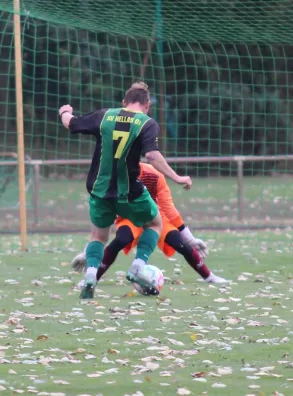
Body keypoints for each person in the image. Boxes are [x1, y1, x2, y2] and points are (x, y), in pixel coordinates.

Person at [59, 81, 192, 299]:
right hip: (129, 191)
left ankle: (91, 276)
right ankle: (138, 266)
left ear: (124, 103)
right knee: (155, 223)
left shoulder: (105, 115)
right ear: (147, 105)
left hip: (99, 190)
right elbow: (152, 156)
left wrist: (64, 111)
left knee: (99, 236)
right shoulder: (147, 123)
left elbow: (70, 123)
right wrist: (177, 177)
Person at [72, 163, 229, 286]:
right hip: (128, 216)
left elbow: (168, 208)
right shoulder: (113, 178)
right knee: (121, 239)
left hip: (154, 216)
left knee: (179, 243)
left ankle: (209, 276)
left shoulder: (154, 175)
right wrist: (87, 252)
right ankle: (92, 280)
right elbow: (103, 219)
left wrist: (190, 239)